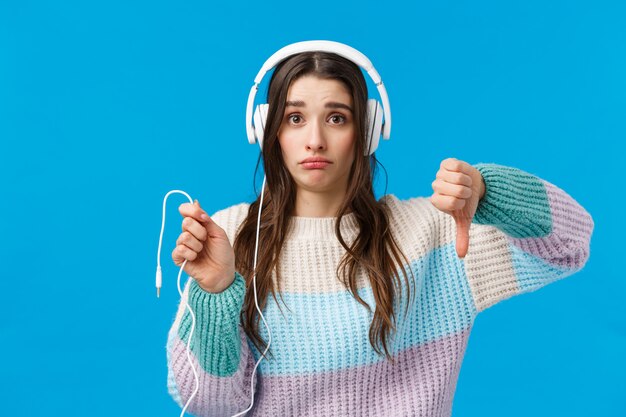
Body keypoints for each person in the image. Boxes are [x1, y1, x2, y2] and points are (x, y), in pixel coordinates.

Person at [164, 43, 595, 417]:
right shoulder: (231, 234)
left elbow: (571, 243)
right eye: (295, 118)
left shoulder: (431, 235)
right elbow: (211, 404)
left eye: (337, 118)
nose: (314, 139)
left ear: (368, 130)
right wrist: (217, 292)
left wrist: (487, 191)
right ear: (268, 130)